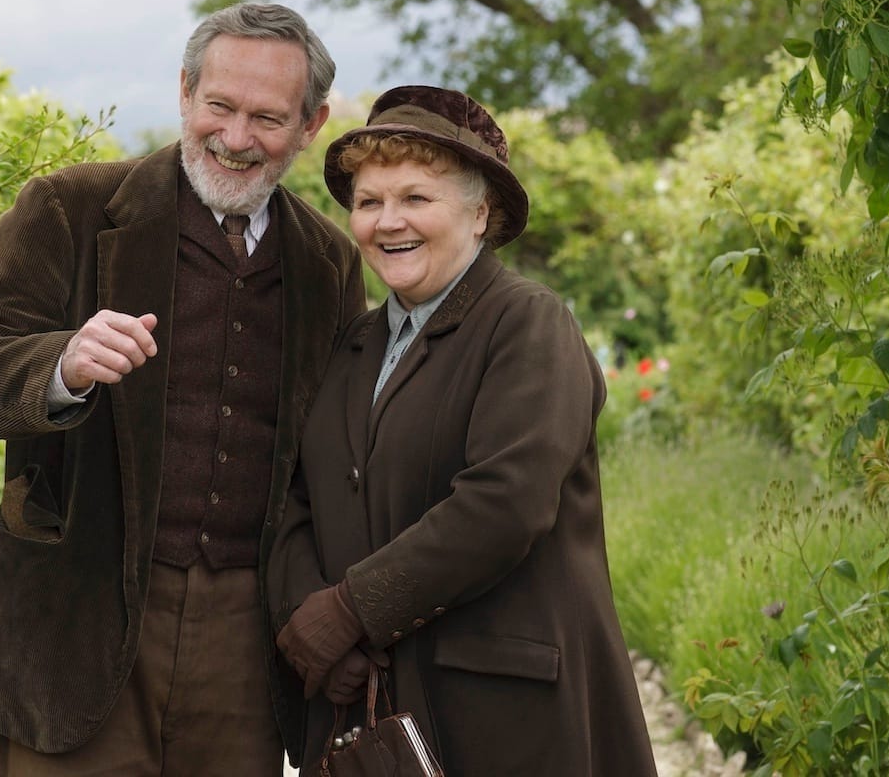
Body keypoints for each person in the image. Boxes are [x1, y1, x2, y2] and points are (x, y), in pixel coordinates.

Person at [0, 2, 366, 776]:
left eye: (267, 118)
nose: (235, 138)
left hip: (246, 642)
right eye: (220, 106)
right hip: (74, 620)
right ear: (186, 93)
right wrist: (61, 364)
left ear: (311, 124)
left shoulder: (329, 261)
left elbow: (339, 451)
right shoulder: (70, 208)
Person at [268, 85, 659, 776]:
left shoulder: (527, 324)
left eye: (416, 198)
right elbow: (299, 497)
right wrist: (316, 628)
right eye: (369, 202)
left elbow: (505, 503)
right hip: (374, 714)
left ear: (481, 215)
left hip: (501, 714)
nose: (388, 222)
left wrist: (353, 610)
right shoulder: (354, 344)